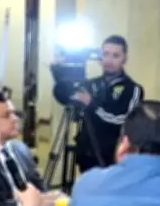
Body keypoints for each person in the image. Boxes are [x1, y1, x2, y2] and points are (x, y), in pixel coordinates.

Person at [52, 35, 144, 172]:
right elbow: (65, 96)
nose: (109, 60)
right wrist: (60, 74)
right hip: (86, 156)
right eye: (105, 54)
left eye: (115, 56)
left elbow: (122, 120)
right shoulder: (91, 84)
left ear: (125, 58)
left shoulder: (133, 89)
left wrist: (91, 104)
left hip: (112, 158)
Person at [0, 90, 48, 206]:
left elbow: (41, 190)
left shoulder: (20, 148)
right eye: (7, 115)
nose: (15, 119)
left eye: (14, 114)